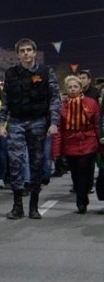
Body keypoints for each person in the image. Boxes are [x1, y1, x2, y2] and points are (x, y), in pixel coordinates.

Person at [0, 38, 61, 219]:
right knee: (15, 162)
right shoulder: (11, 73)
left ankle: (34, 205)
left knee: (36, 163)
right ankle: (17, 206)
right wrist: (2, 124)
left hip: (38, 121)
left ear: (34, 52)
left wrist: (54, 123)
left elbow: (55, 99)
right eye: (22, 51)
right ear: (18, 54)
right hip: (16, 121)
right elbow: (6, 100)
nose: (26, 53)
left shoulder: (46, 72)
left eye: (29, 50)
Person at [51, 76, 99, 214]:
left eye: (75, 86)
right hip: (70, 143)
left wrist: (100, 145)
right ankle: (81, 195)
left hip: (88, 141)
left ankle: (81, 200)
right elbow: (59, 130)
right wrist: (56, 152)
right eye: (70, 87)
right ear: (67, 89)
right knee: (75, 174)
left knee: (84, 170)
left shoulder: (91, 103)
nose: (72, 89)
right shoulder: (62, 107)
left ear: (80, 88)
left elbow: (96, 124)